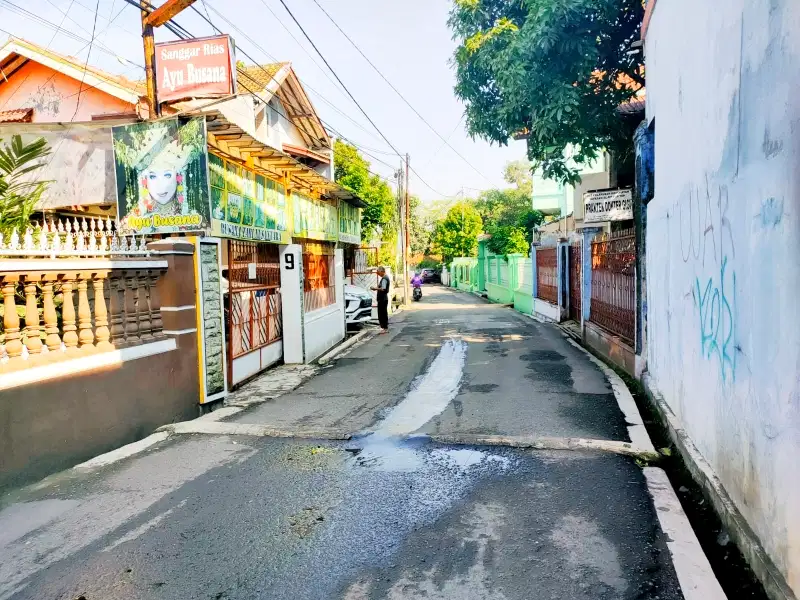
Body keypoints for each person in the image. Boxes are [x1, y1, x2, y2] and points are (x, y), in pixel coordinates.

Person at [371, 266, 391, 333]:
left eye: (379, 272)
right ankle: (384, 328)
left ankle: (384, 328)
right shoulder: (385, 278)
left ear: (382, 271)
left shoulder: (384, 278)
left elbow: (383, 288)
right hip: (383, 298)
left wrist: (375, 288)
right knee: (383, 313)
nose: (378, 274)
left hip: (383, 298)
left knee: (382, 314)